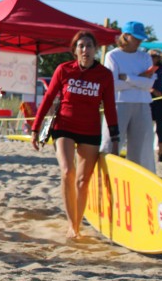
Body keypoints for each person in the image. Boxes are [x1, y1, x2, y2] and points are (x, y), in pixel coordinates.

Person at [31, 31, 119, 240]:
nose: (85, 50)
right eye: (81, 46)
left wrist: (115, 138)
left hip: (90, 130)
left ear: (95, 49)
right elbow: (48, 98)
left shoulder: (104, 75)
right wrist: (35, 128)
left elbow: (110, 107)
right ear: (75, 50)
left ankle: (77, 224)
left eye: (89, 46)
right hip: (64, 127)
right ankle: (72, 225)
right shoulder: (64, 69)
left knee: (82, 181)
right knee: (67, 171)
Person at [101, 21, 155, 171]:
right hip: (118, 104)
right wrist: (139, 80)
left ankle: (140, 179)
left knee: (142, 149)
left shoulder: (145, 57)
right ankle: (104, 175)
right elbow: (112, 84)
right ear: (125, 36)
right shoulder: (112, 55)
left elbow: (149, 84)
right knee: (110, 144)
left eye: (140, 38)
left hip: (142, 104)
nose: (139, 41)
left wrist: (128, 78)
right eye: (135, 37)